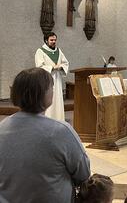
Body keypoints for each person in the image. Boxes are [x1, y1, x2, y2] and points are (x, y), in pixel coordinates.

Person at [0, 68, 90, 203]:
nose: (53, 91)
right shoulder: (61, 131)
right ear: (43, 94)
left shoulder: (2, 127)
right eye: (51, 88)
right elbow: (83, 174)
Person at [35, 32, 69, 121]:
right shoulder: (40, 51)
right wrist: (52, 68)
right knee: (48, 98)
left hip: (57, 79)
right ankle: (48, 119)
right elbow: (39, 66)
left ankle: (59, 119)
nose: (54, 42)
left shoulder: (58, 51)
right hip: (47, 79)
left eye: (55, 40)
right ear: (46, 40)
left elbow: (66, 63)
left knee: (58, 99)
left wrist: (61, 67)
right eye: (51, 40)